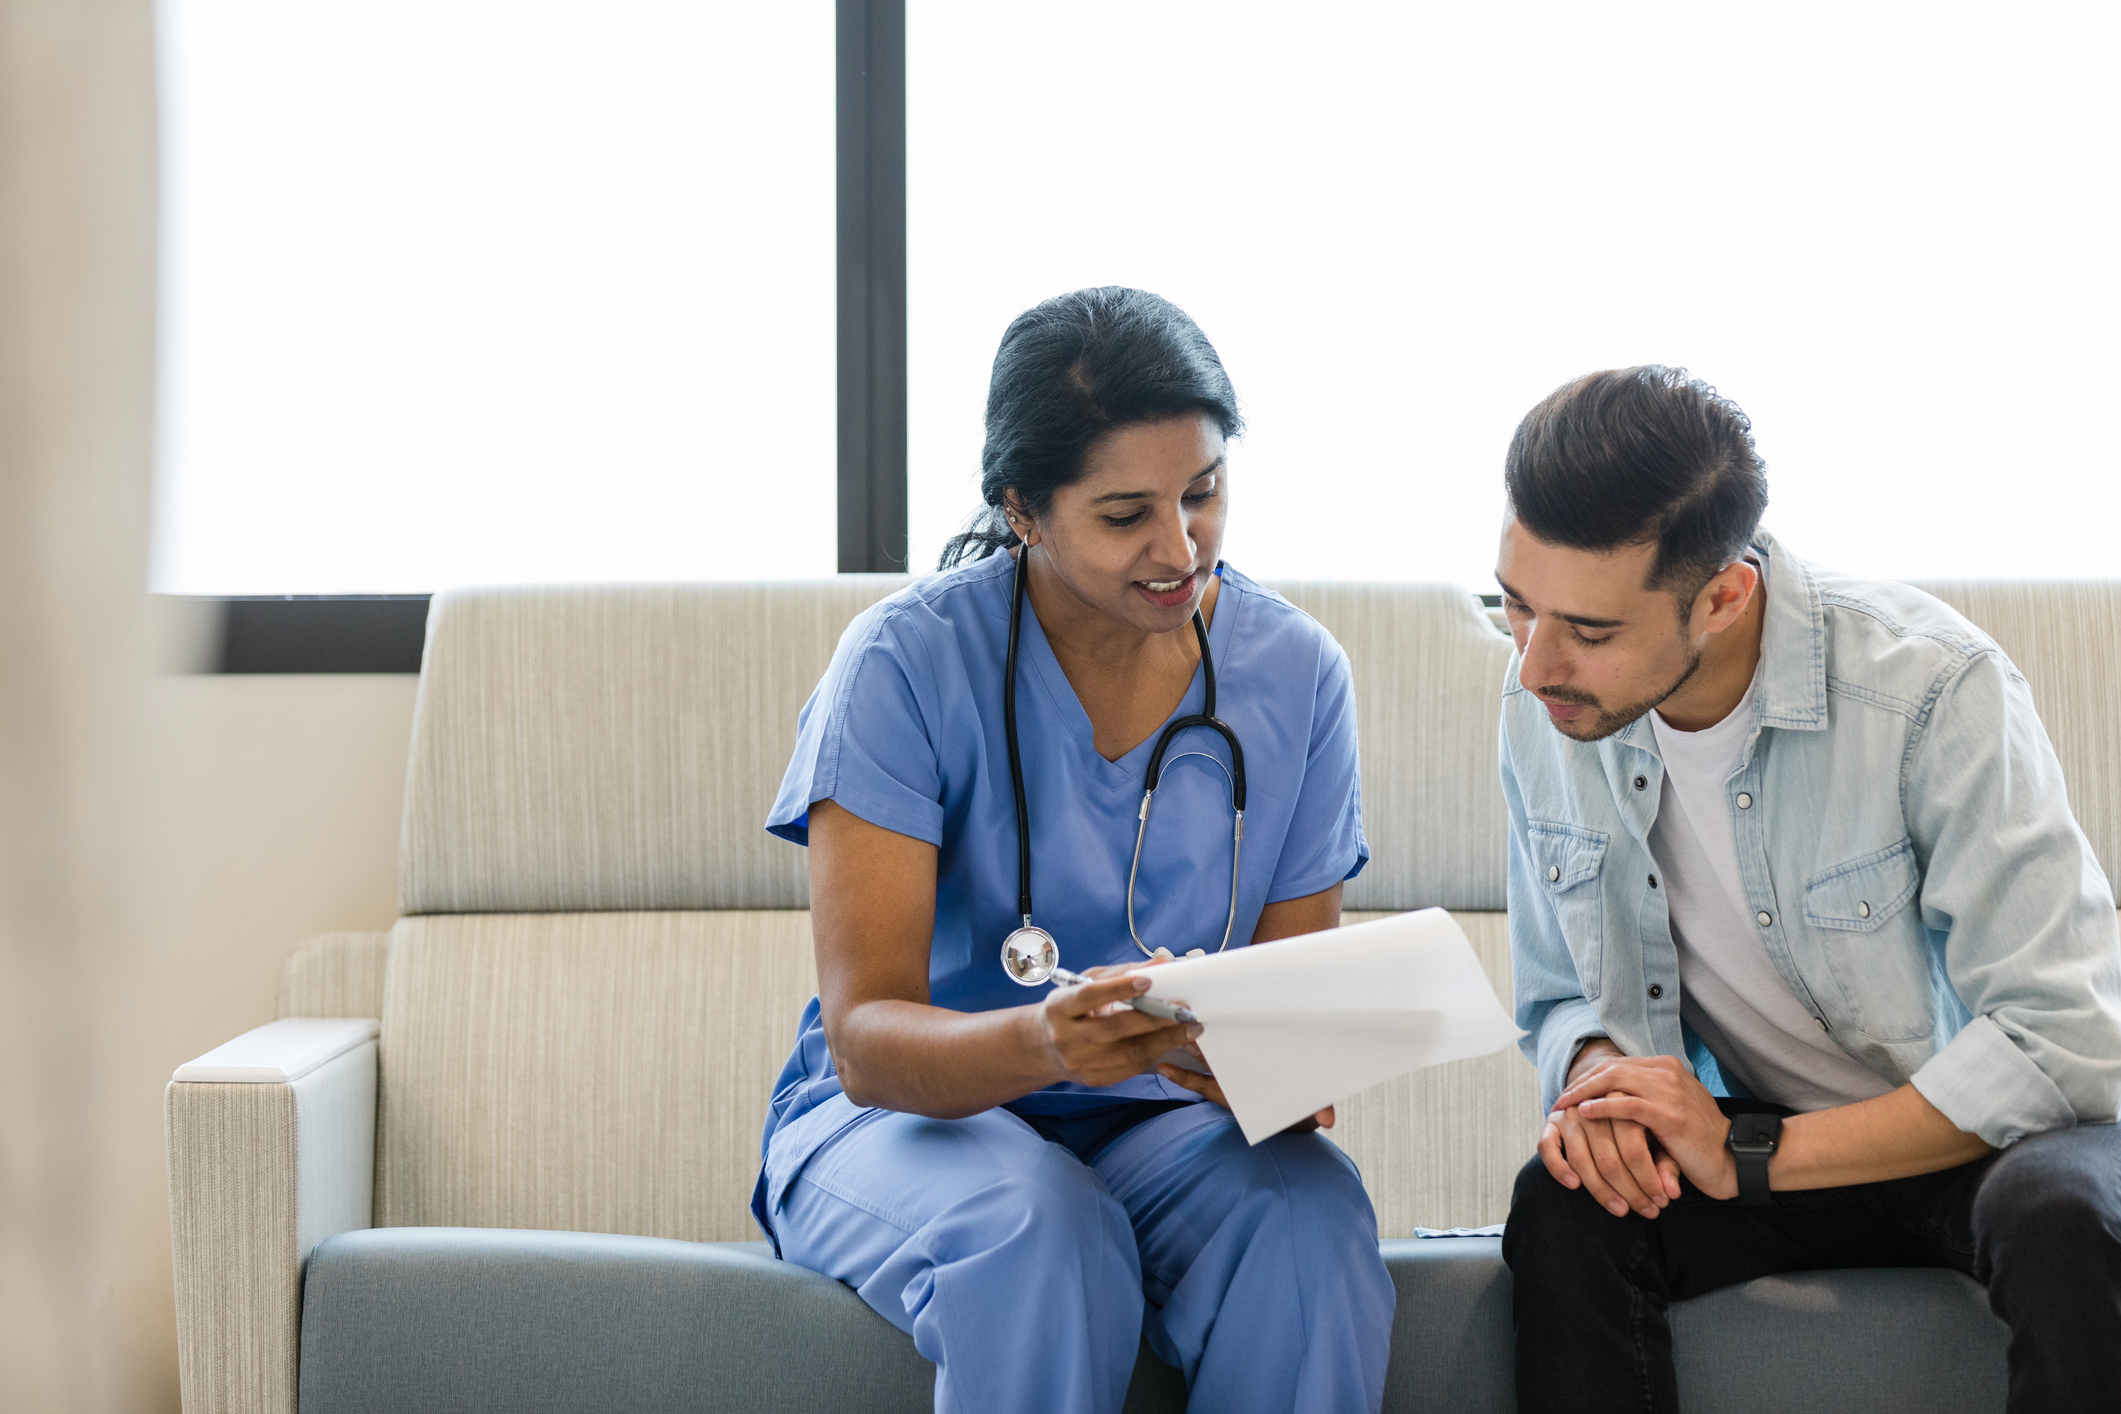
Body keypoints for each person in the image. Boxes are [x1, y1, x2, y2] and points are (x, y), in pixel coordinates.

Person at [752, 287, 1394, 1414]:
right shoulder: (904, 665)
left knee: (1310, 1218)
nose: (1178, 545)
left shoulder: (1296, 674)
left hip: (1166, 1129)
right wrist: (1049, 1044)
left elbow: (1293, 1014)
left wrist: (1276, 1067)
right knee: (1038, 1230)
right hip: (911, 1118)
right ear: (1024, 510)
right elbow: (866, 1042)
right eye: (1124, 514)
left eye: (1204, 493)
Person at [1493, 366, 2121, 1412]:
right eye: (1514, 606)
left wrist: (1751, 1152)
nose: (1534, 662)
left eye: (1590, 630)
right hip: (1754, 1134)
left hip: (1991, 1139)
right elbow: (1560, 994)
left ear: (1725, 593)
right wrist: (1605, 1083)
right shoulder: (1547, 699)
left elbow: (2063, 1036)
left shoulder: (1928, 689)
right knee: (1566, 1206)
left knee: (2069, 1216)